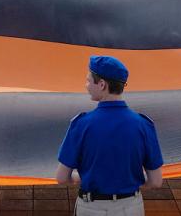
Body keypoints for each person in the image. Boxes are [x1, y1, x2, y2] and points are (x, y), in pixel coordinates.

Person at [56, 54, 162, 215]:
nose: (86, 86)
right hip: (131, 208)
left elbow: (62, 177)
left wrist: (82, 178)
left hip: (91, 208)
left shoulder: (81, 124)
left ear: (102, 84)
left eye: (88, 80)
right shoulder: (144, 125)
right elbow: (155, 182)